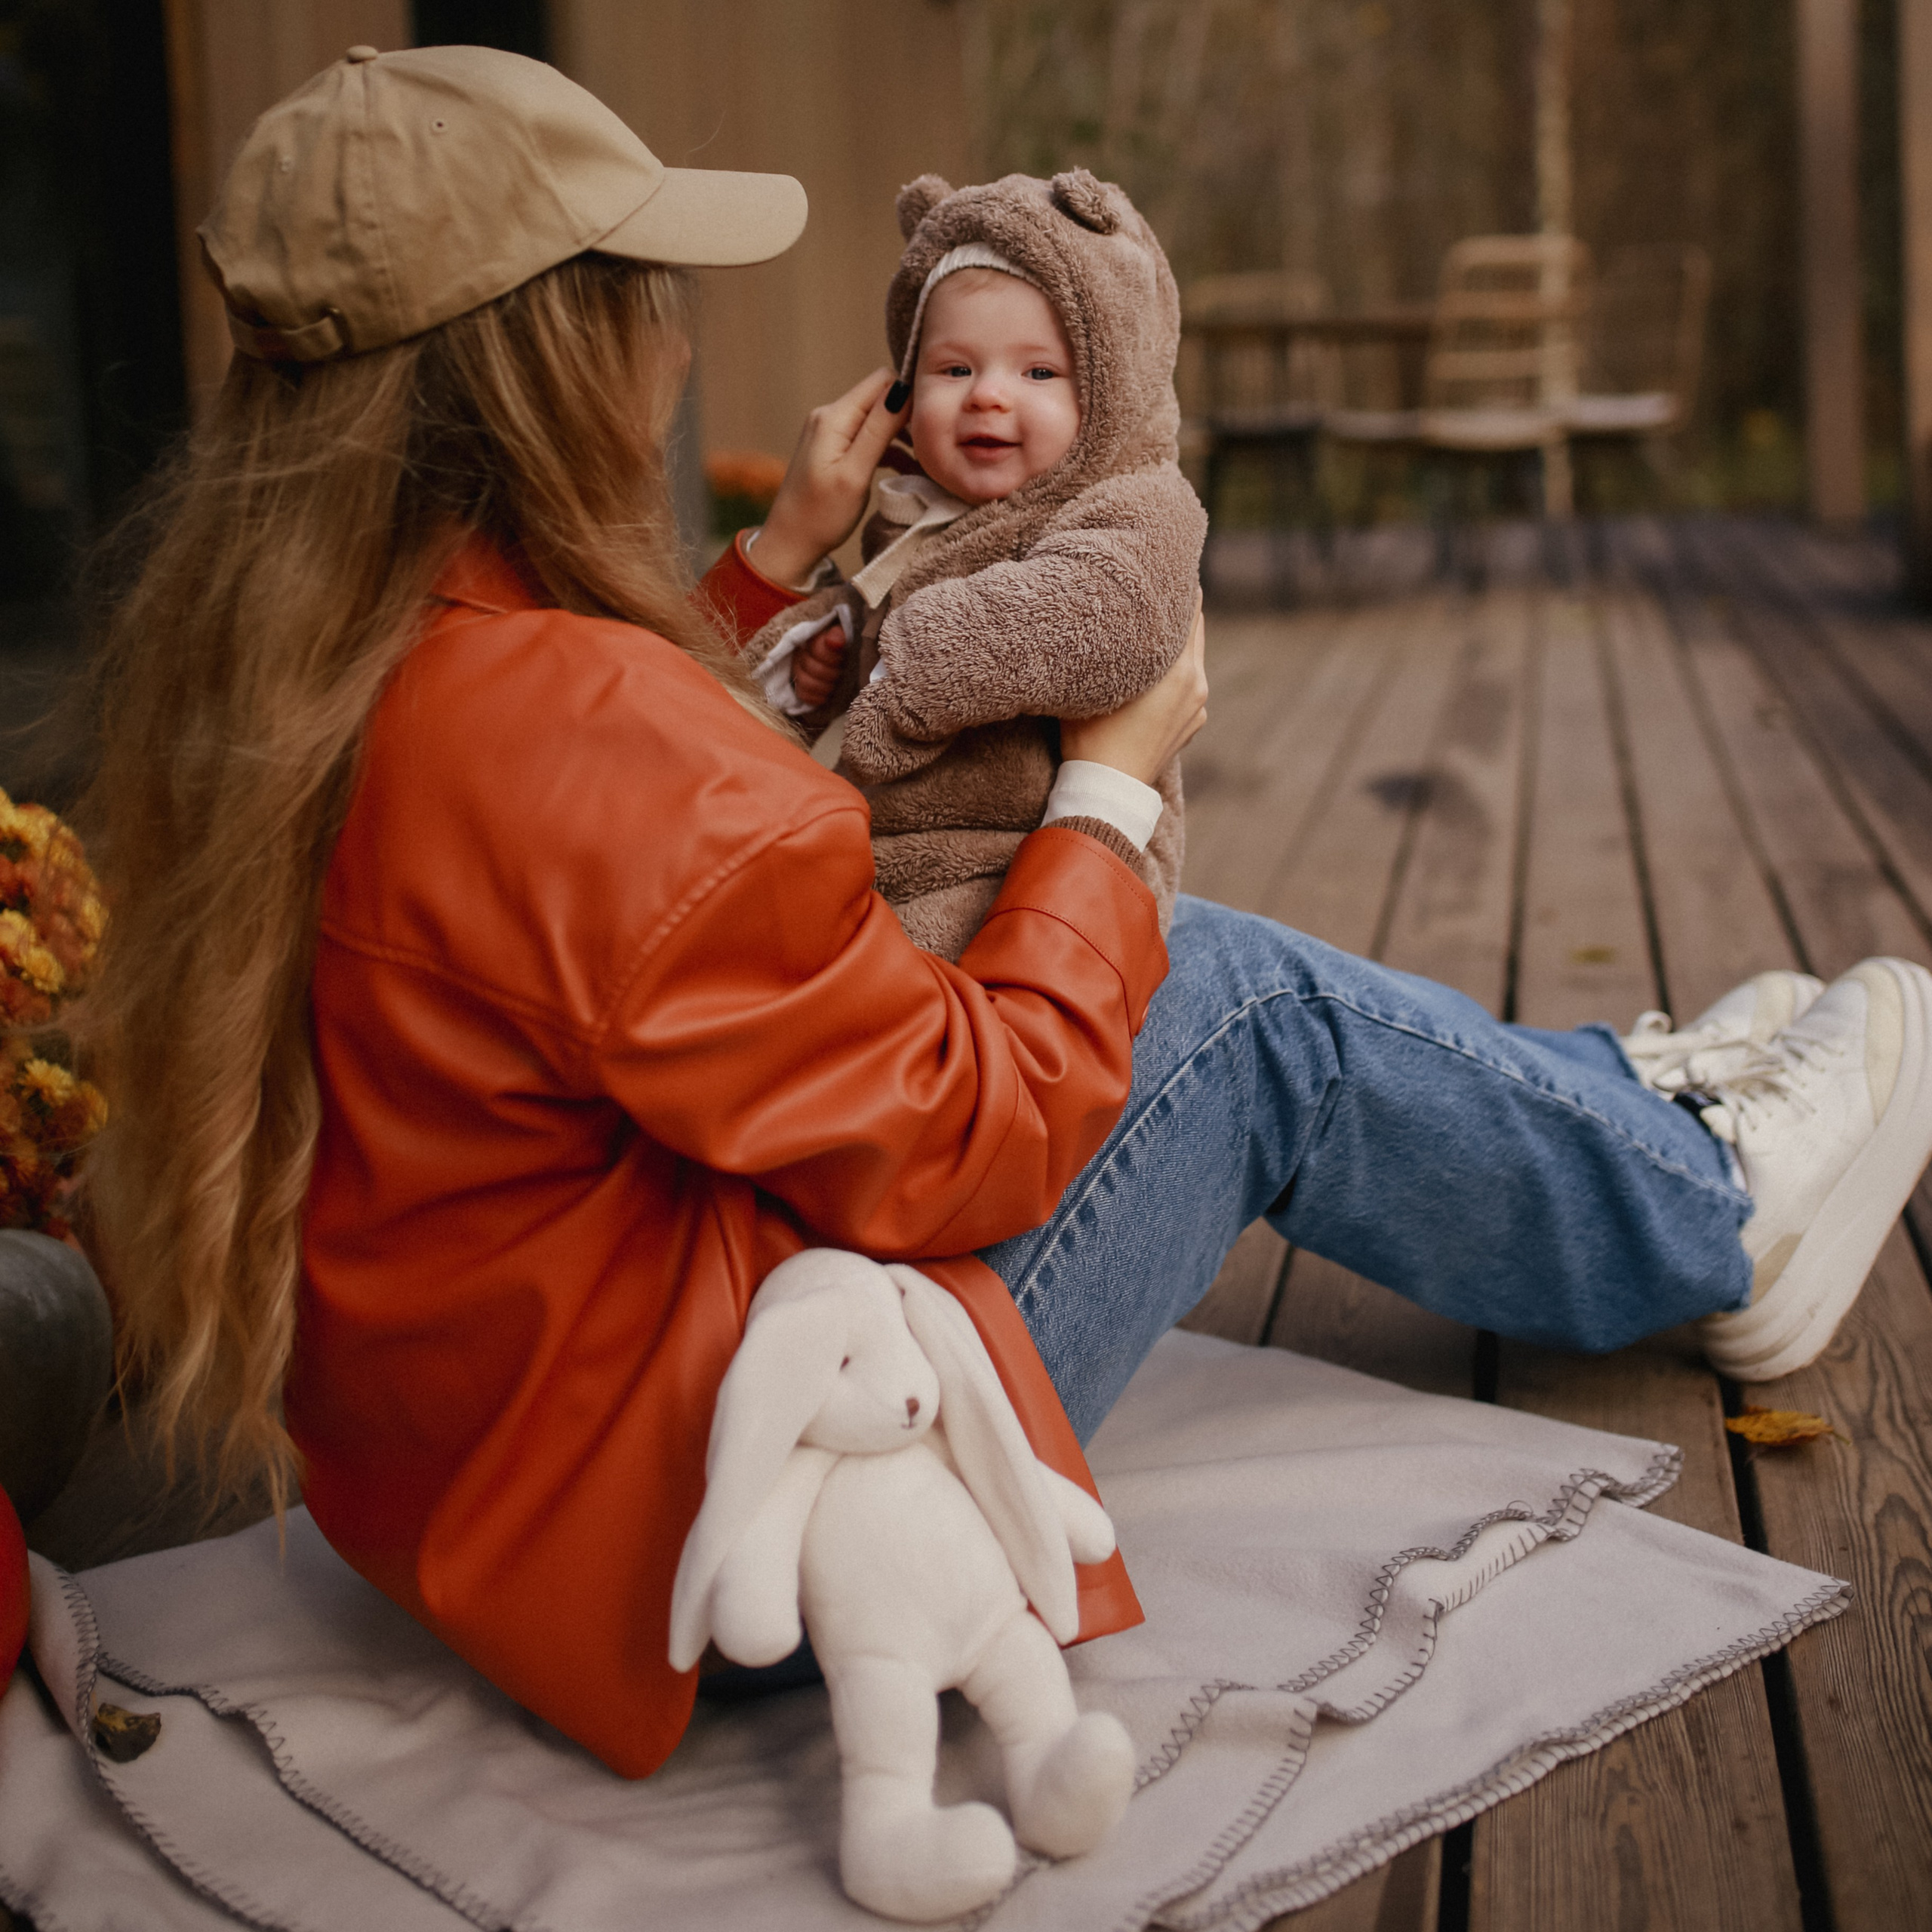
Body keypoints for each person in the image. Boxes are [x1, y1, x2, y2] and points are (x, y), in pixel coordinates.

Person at [76, 47, 1932, 1797]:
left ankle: (1614, 1092)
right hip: (756, 1533)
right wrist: (1107, 791)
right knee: (1227, 994)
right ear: (551, 355)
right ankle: (1712, 1200)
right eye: (643, 289)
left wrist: (766, 572)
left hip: (482, 1514)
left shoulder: (286, 684)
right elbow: (976, 1130)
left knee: (1149, 958)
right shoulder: (589, 730)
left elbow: (627, 892)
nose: (675, 336)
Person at [740, 168, 1204, 959]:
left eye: (1039, 372)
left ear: (1113, 389)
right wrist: (821, 660)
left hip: (1038, 870)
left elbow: (1107, 611)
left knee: (865, 973)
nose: (987, 396)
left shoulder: (1135, 503)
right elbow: (879, 626)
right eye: (954, 369)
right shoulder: (922, 513)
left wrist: (915, 663)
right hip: (898, 854)